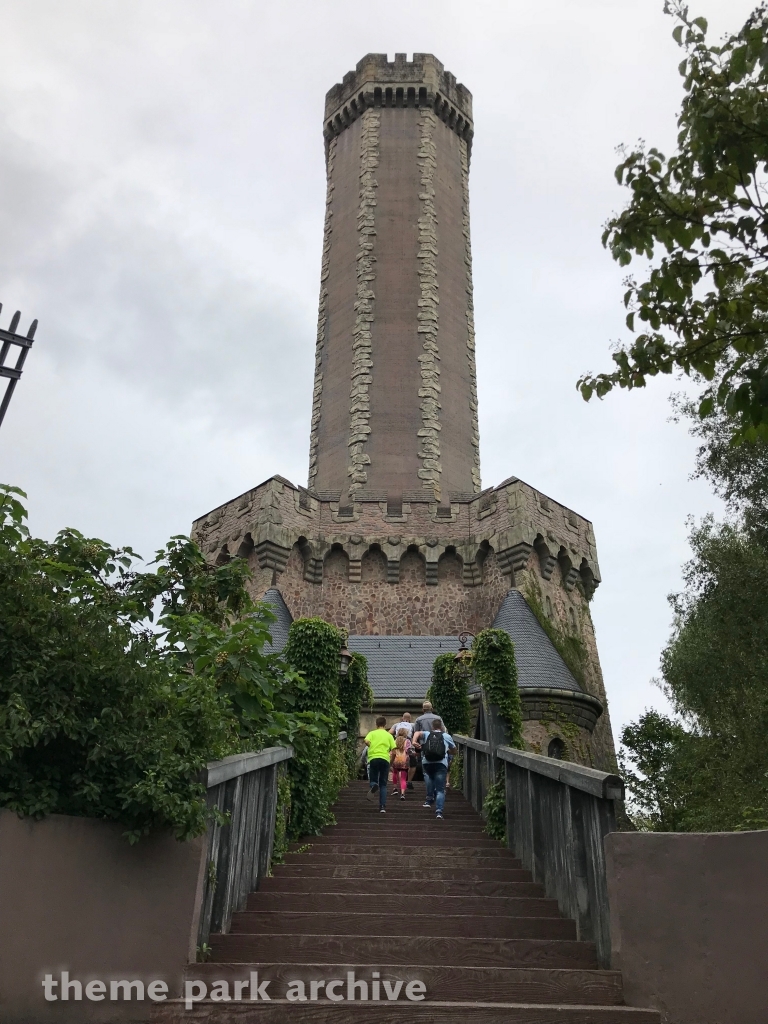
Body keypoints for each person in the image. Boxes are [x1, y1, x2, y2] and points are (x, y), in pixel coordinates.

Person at [412, 717, 456, 819]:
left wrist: (414, 741)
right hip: (441, 764)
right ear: (441, 727)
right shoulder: (446, 736)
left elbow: (417, 732)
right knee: (440, 790)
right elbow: (454, 751)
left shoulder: (428, 734)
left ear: (432, 727)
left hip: (427, 762)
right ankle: (439, 812)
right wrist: (448, 751)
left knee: (429, 777)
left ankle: (429, 797)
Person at [363, 716, 396, 813]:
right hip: (385, 759)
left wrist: (371, 746)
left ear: (376, 724)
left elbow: (366, 740)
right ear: (385, 725)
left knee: (373, 779)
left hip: (373, 758)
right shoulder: (389, 735)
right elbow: (394, 752)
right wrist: (390, 763)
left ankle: (373, 784)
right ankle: (382, 807)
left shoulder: (372, 733)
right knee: (383, 784)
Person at [412, 701, 441, 784]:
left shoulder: (418, 719)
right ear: (432, 709)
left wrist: (416, 746)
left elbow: (416, 733)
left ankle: (428, 785)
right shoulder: (438, 718)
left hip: (424, 746)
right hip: (438, 745)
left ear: (422, 710)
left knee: (426, 766)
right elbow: (444, 731)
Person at [389, 712, 416, 790]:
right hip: (408, 746)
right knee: (413, 764)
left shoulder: (396, 724)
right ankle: (409, 781)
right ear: (410, 719)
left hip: (397, 746)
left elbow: (389, 733)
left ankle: (396, 785)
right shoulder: (413, 725)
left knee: (396, 768)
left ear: (402, 718)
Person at [390, 730, 412, 799]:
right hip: (404, 761)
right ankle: (402, 794)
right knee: (403, 778)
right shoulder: (407, 741)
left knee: (395, 773)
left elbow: (391, 751)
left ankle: (395, 788)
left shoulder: (394, 741)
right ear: (405, 734)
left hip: (395, 760)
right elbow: (409, 751)